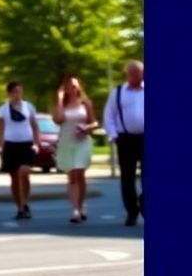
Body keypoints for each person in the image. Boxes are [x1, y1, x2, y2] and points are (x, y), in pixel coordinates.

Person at [103, 61, 145, 226]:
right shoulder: (118, 92)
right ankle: (132, 212)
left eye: (139, 73)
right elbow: (109, 116)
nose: (136, 76)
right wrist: (113, 135)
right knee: (127, 178)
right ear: (127, 74)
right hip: (126, 138)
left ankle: (145, 204)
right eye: (132, 73)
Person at [53, 75, 99, 223]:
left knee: (80, 173)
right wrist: (60, 99)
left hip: (82, 142)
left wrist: (87, 127)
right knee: (72, 175)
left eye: (75, 86)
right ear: (65, 89)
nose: (72, 89)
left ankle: (80, 205)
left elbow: (94, 122)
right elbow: (58, 119)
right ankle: (75, 209)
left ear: (78, 87)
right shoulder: (62, 104)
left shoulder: (85, 103)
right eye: (69, 86)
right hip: (66, 142)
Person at [0, 81, 42, 220]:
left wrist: (37, 143)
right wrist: (1, 144)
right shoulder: (3, 110)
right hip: (10, 145)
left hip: (26, 145)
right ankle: (20, 207)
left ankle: (25, 202)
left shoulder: (29, 107)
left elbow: (34, 126)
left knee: (24, 172)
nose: (18, 95)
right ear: (9, 93)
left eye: (20, 92)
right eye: (15, 92)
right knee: (14, 178)